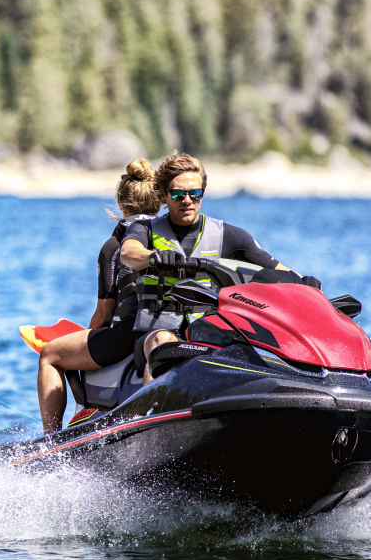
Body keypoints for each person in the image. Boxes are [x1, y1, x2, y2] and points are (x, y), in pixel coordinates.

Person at [119, 152, 319, 381]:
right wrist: (154, 257)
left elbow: (278, 270)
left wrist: (305, 283)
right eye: (178, 194)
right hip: (155, 333)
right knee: (164, 343)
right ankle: (154, 400)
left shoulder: (228, 235)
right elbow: (128, 253)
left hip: (207, 333)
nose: (187, 200)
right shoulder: (145, 229)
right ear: (164, 195)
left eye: (195, 193)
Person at [36, 159, 162, 433]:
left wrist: (88, 336)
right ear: (158, 202)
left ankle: (52, 442)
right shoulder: (170, 238)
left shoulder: (114, 247)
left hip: (128, 336)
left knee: (49, 355)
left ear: (121, 203)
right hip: (164, 330)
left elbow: (104, 313)